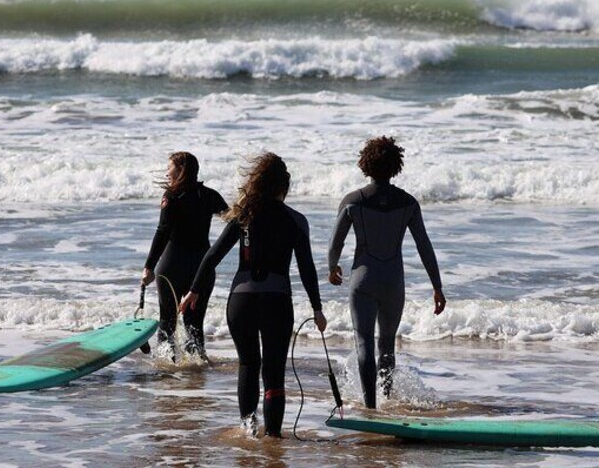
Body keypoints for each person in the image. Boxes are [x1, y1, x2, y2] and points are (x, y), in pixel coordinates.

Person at [179, 152, 327, 438]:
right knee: (273, 372)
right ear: (283, 187)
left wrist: (193, 292)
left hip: (241, 302)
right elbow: (307, 268)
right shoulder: (296, 220)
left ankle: (248, 429)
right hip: (276, 301)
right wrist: (317, 308)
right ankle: (273, 437)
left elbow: (212, 256)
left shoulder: (244, 214)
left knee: (248, 364)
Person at [328, 136, 446, 409]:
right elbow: (424, 246)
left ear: (365, 164)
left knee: (364, 342)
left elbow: (335, 243)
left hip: (363, 279)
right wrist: (437, 286)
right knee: (387, 345)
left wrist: (332, 267)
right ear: (396, 166)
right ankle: (387, 397)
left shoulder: (352, 200)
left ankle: (371, 407)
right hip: (394, 281)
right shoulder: (408, 203)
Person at [141, 151, 227, 361]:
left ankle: (166, 369)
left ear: (180, 170)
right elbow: (234, 220)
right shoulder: (209, 195)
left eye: (169, 167)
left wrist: (149, 267)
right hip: (201, 268)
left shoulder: (171, 197)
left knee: (167, 323)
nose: (166, 171)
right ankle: (197, 370)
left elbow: (162, 232)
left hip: (172, 266)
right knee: (194, 325)